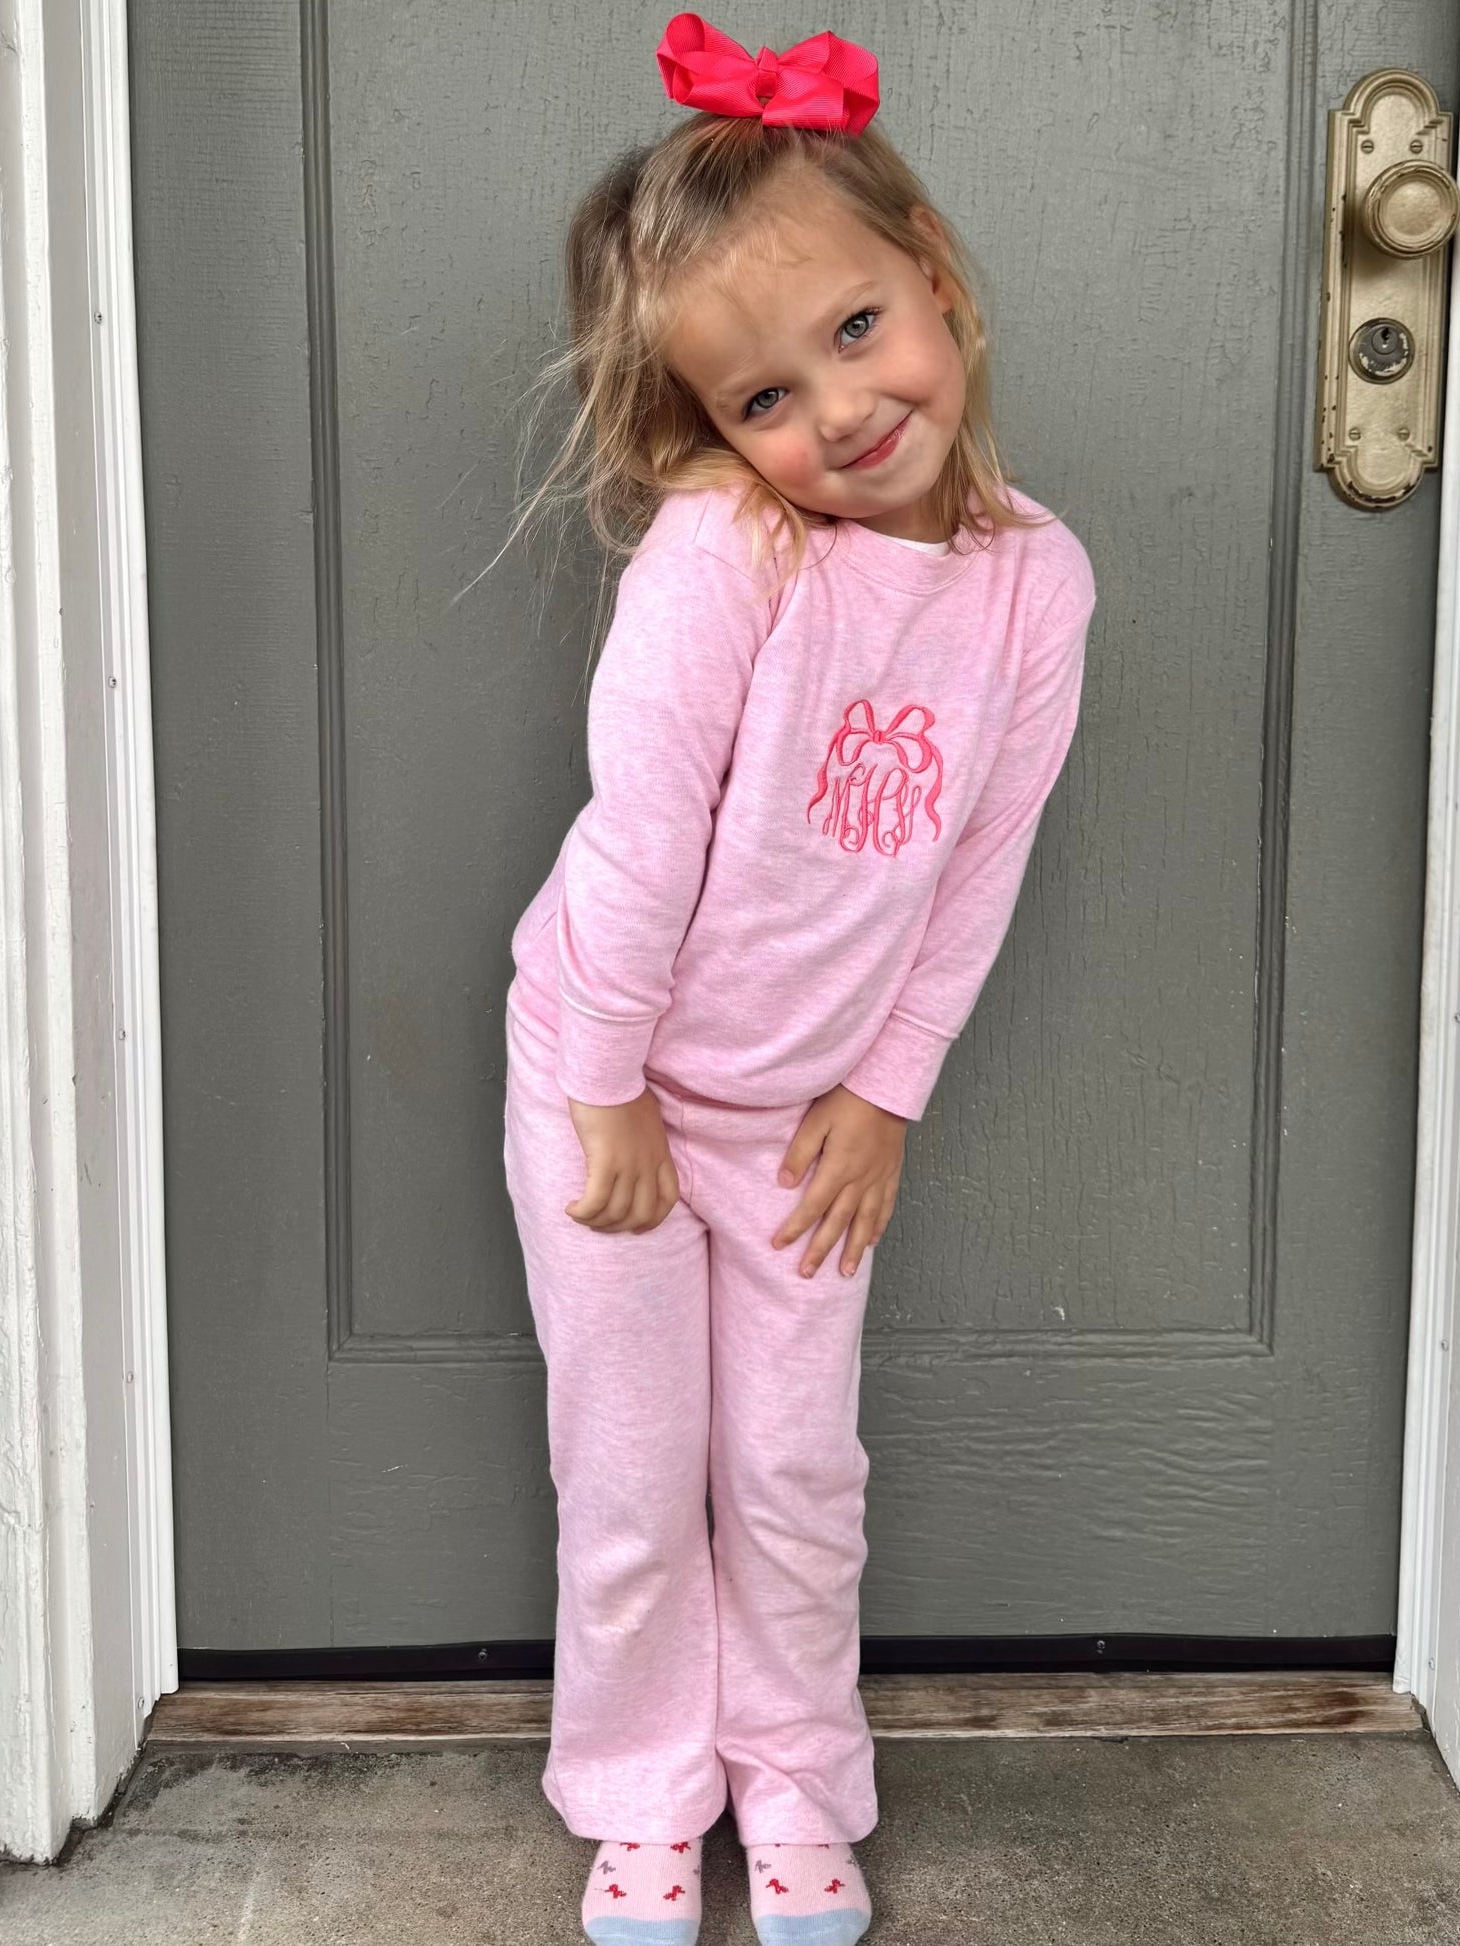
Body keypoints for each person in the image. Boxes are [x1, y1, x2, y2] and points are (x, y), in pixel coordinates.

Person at [500, 15, 1096, 1941]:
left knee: (788, 1467)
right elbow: (637, 832)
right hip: (614, 1080)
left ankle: (794, 1771)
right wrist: (604, 1088)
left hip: (803, 1122)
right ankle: (648, 1786)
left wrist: (886, 1088)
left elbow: (974, 867)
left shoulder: (1033, 583)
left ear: (929, 272)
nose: (834, 412)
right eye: (762, 394)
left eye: (855, 333)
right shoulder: (722, 553)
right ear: (711, 428)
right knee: (631, 1469)